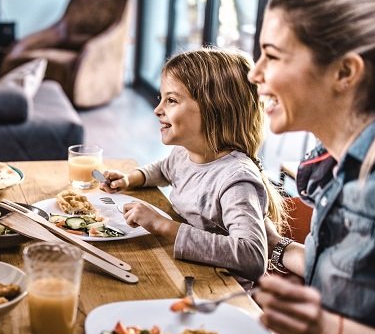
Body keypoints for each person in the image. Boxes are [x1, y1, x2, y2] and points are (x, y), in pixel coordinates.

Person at [248, 0, 375, 334]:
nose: (254, 72)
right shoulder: (339, 166)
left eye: (272, 55)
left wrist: (325, 331)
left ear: (345, 72)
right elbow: (358, 279)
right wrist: (278, 248)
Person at [99, 48, 285, 282]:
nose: (158, 110)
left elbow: (252, 257)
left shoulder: (236, 179)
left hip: (218, 289)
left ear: (216, 109)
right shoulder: (184, 154)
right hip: (184, 270)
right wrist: (130, 179)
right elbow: (163, 169)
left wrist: (162, 225)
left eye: (172, 100)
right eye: (161, 99)